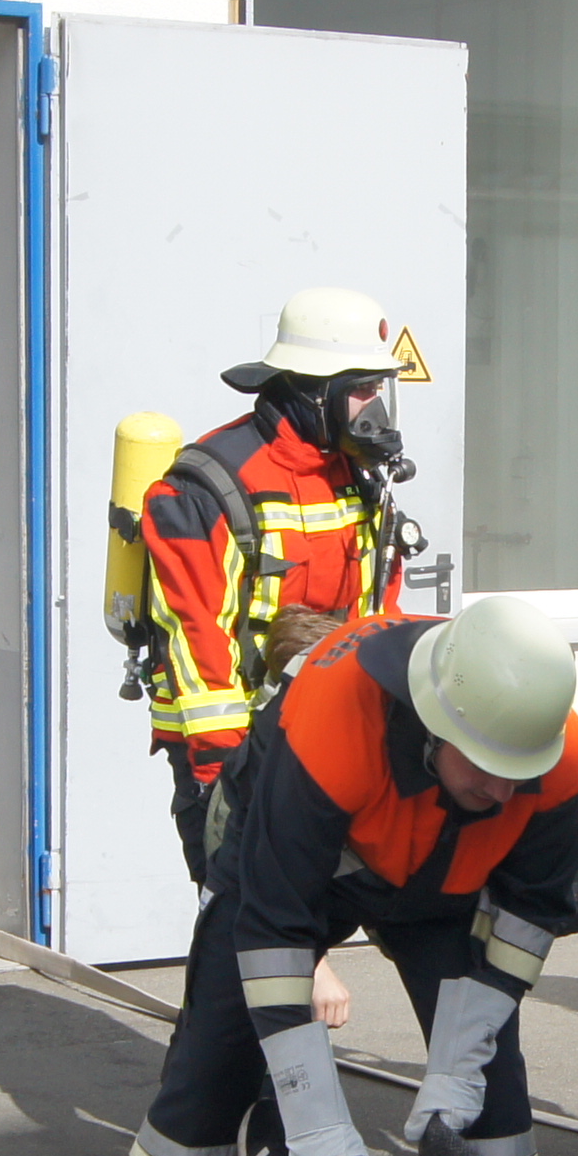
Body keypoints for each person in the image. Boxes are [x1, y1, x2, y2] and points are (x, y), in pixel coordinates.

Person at [91, 597, 578, 1156]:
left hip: (440, 884)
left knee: (493, 1108)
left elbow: (528, 915)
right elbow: (275, 930)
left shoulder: (558, 757)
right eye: (486, 768)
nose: (503, 790)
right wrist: (313, 1114)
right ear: (434, 722)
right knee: (208, 1082)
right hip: (292, 864)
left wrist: (467, 1048)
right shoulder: (333, 719)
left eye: (518, 773)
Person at [135, 287, 417, 886]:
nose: (375, 408)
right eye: (362, 390)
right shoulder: (207, 486)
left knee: (331, 902)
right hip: (235, 747)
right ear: (314, 391)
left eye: (378, 388)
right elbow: (196, 637)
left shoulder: (358, 476)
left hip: (330, 734)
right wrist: (221, 773)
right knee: (242, 911)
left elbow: (377, 608)